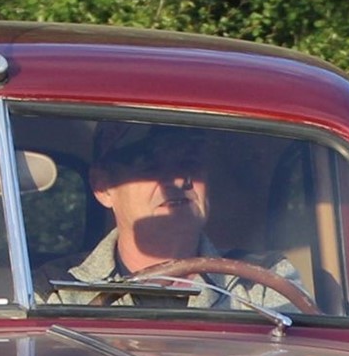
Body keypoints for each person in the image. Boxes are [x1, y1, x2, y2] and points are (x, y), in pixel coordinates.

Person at [39, 122, 307, 311]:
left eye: (189, 162)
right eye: (149, 166)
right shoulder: (61, 289)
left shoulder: (262, 280)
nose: (177, 179)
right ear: (103, 187)